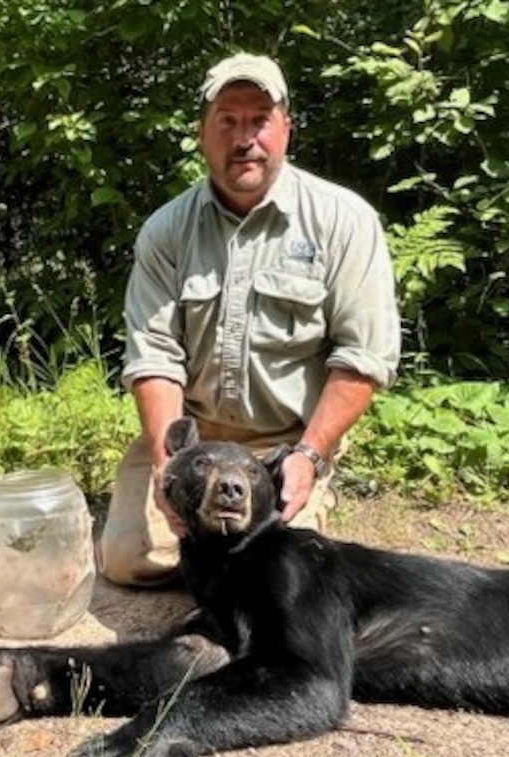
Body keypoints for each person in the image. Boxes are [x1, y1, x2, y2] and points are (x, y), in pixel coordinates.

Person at [99, 52, 402, 587]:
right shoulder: (166, 231)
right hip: (193, 443)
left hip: (287, 441)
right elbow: (154, 359)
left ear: (285, 128)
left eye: (260, 120)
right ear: (202, 132)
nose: (245, 138)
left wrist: (309, 454)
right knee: (131, 563)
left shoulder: (345, 221)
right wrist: (169, 462)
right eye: (228, 121)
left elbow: (363, 358)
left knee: (280, 573)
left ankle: (304, 500)